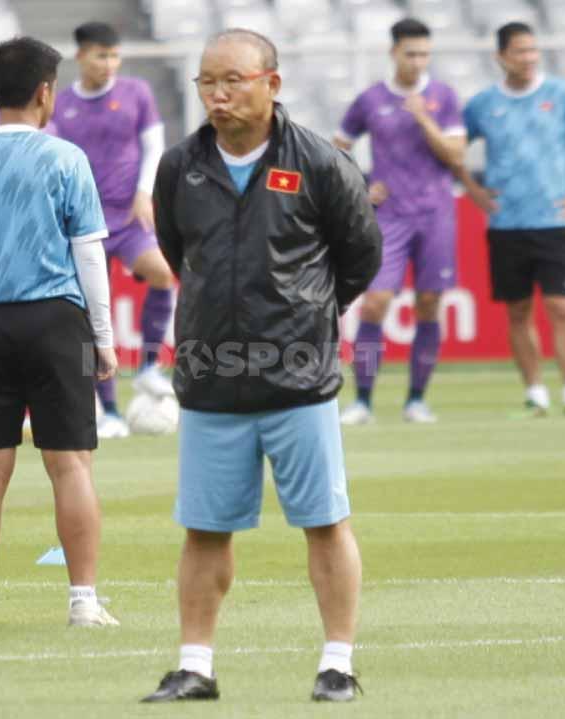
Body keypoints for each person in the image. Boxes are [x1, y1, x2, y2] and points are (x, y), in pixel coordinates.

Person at [140, 29, 381, 704]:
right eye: (207, 82)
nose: (218, 95)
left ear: (271, 83)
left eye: (233, 81)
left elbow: (360, 253)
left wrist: (308, 316)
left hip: (299, 380)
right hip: (211, 379)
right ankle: (195, 665)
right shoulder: (179, 166)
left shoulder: (320, 164)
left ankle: (337, 663)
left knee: (325, 521)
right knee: (205, 528)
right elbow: (174, 247)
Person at [0, 36, 121, 629]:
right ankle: (84, 601)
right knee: (71, 466)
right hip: (55, 321)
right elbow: (89, 257)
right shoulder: (66, 159)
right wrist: (105, 336)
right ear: (46, 92)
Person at [0, 22, 173, 439]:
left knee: (161, 273)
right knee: (89, 315)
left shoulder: (136, 93)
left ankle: (147, 365)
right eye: (101, 55)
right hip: (82, 221)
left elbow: (154, 146)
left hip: (124, 218)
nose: (109, 64)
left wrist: (145, 191)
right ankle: (108, 410)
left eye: (114, 55)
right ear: (81, 56)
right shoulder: (60, 110)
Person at [458, 22, 565, 418]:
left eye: (533, 50)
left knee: (562, 306)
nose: (528, 58)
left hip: (553, 220)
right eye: (520, 51)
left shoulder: (561, 94)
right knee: (518, 311)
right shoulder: (482, 104)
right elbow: (453, 148)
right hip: (506, 224)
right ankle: (535, 395)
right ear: (501, 57)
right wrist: (472, 189)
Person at [334, 18, 465, 425]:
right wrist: (362, 183)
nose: (418, 61)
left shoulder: (443, 97)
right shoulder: (371, 99)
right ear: (394, 53)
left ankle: (416, 400)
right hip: (389, 216)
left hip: (436, 212)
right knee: (375, 303)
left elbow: (456, 156)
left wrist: (424, 118)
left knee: (429, 303)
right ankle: (363, 401)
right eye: (410, 53)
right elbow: (338, 147)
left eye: (424, 53)